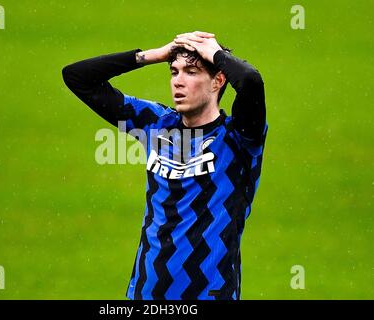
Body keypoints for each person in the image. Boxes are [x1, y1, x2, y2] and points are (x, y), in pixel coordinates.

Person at [62, 31, 267, 300]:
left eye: (191, 72)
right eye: (174, 72)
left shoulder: (239, 138)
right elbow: (77, 77)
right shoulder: (156, 123)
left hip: (211, 294)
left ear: (218, 81)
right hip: (146, 293)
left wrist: (216, 54)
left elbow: (251, 81)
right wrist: (155, 55)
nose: (178, 82)